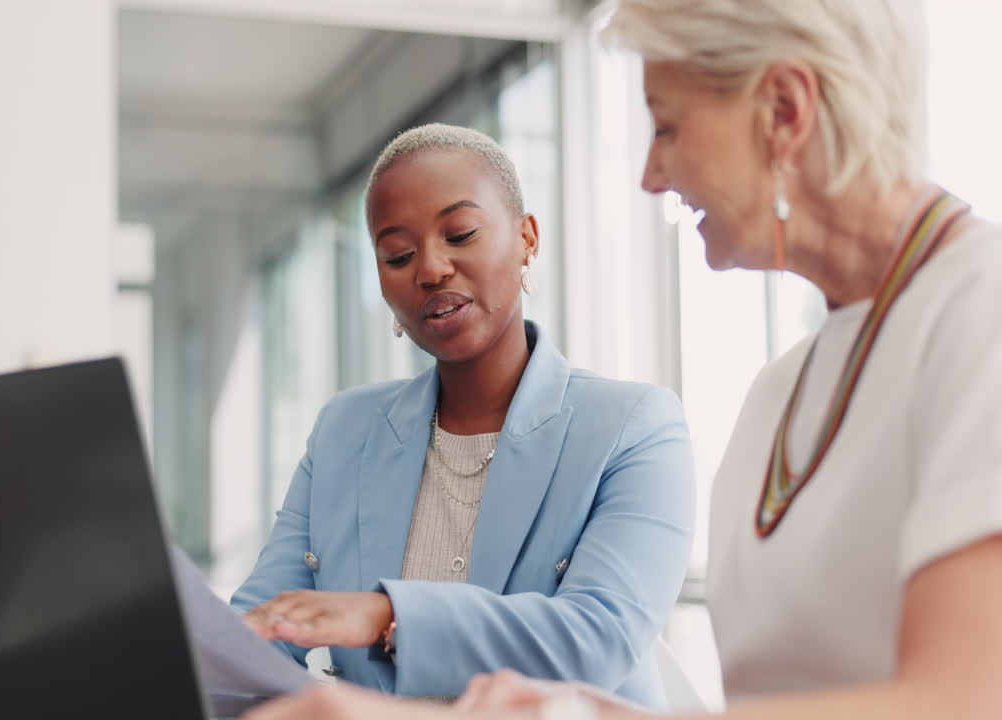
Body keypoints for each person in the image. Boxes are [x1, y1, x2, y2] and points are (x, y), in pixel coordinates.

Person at [239, 1, 1002, 719]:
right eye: (398, 253)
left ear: (784, 112)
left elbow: (959, 703)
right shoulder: (778, 392)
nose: (651, 174)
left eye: (667, 127)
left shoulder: (980, 312)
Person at [231, 123, 696, 709]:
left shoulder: (634, 427)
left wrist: (386, 615)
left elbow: (596, 640)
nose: (430, 269)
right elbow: (258, 633)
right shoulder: (343, 431)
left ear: (527, 238)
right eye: (397, 254)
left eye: (460, 233)